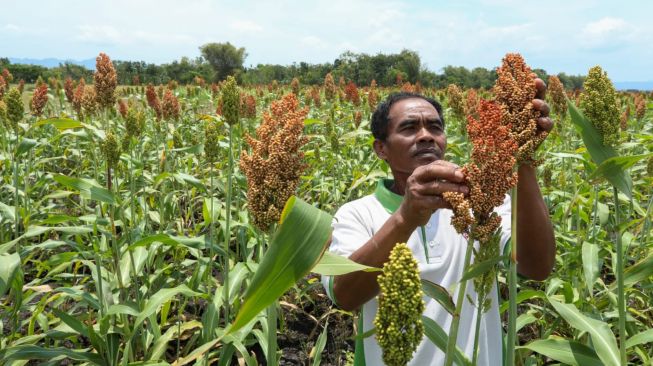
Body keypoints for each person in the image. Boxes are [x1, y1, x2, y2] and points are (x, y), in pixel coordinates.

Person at [321, 81, 555, 365]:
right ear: (381, 148)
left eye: (435, 127)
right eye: (409, 128)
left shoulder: (481, 201)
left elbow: (537, 266)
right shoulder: (357, 214)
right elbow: (344, 296)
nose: (426, 136)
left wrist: (523, 157)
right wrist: (405, 217)